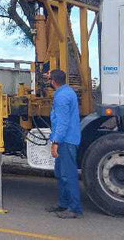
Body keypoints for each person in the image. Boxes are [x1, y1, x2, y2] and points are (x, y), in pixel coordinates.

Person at [46, 69, 83, 219]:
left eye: (49, 79)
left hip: (65, 140)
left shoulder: (61, 97)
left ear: (53, 81)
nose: (48, 82)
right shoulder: (67, 91)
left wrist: (56, 142)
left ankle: (74, 208)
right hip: (67, 139)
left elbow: (62, 122)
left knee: (68, 175)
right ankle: (63, 203)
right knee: (61, 174)